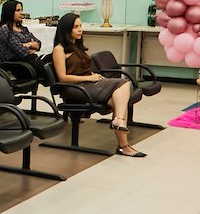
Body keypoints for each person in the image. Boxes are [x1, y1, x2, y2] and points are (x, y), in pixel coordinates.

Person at [51, 13, 145, 157]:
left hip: (88, 84)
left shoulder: (77, 45)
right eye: (76, 27)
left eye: (80, 26)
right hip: (75, 89)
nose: (80, 29)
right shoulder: (59, 49)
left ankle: (123, 142)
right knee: (123, 83)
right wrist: (89, 78)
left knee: (118, 101)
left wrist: (91, 77)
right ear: (66, 29)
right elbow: (62, 78)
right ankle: (120, 128)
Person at [0, 0, 44, 75]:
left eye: (21, 10)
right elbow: (21, 51)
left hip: (30, 61)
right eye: (18, 10)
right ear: (10, 12)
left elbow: (39, 44)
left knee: (51, 60)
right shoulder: (5, 29)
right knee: (46, 69)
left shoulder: (23, 29)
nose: (21, 13)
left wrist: (28, 44)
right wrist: (31, 47)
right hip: (18, 65)